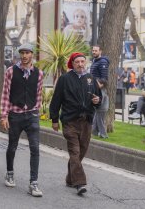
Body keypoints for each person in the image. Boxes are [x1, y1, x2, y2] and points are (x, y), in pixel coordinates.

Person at [49, 52, 101, 196]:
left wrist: (98, 100)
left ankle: (70, 179)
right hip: (70, 121)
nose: (80, 64)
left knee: (80, 152)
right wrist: (54, 119)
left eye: (82, 62)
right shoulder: (64, 79)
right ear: (72, 63)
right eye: (77, 62)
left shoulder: (91, 78)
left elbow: (98, 97)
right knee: (75, 152)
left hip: (86, 122)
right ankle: (80, 184)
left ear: (85, 63)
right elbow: (56, 100)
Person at [0, 43, 44, 197]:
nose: (25, 56)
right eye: (22, 53)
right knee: (12, 146)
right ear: (19, 55)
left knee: (35, 149)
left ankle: (34, 183)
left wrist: (36, 110)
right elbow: (5, 94)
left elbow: (38, 94)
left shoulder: (39, 73)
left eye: (27, 53)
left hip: (32, 115)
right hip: (15, 115)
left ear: (32, 55)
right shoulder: (11, 71)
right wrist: (4, 115)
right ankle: (10, 173)